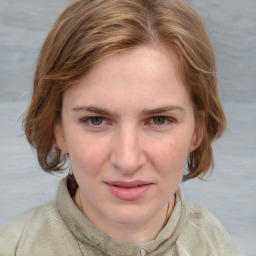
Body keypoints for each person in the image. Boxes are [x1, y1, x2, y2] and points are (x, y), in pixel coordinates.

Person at [0, 0, 240, 255]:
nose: (127, 161)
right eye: (96, 120)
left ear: (197, 131)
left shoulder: (216, 245)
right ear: (59, 129)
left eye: (159, 120)